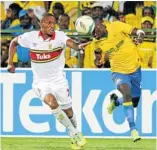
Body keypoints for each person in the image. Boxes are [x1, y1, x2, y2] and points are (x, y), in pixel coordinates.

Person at [7, 13, 89, 150]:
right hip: (40, 83)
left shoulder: (60, 36)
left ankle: (74, 135)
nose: (52, 26)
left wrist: (79, 47)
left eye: (54, 23)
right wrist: (10, 61)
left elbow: (71, 44)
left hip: (59, 81)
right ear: (42, 24)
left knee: (68, 112)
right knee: (52, 102)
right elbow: (13, 42)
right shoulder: (30, 37)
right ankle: (75, 134)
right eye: (49, 23)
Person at [93, 20, 145, 142]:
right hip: (118, 71)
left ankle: (116, 102)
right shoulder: (97, 42)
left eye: (96, 28)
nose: (96, 32)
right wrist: (98, 61)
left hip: (135, 69)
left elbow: (139, 31)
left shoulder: (116, 26)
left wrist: (140, 37)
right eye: (94, 32)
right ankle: (133, 130)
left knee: (135, 101)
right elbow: (98, 55)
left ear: (102, 24)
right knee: (126, 93)